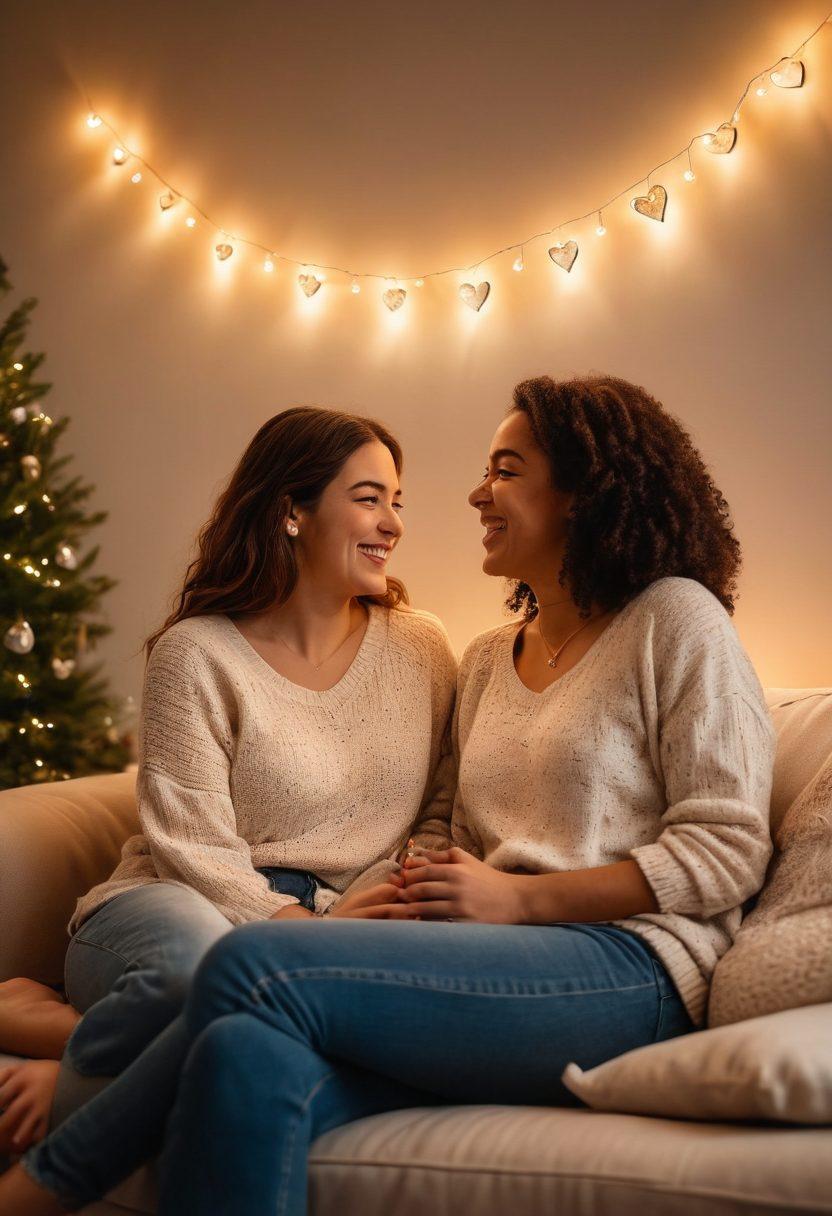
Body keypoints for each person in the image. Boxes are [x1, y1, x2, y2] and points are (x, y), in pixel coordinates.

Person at [1, 374, 776, 1215]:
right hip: (483, 959)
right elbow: (448, 827)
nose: (477, 492)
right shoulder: (484, 659)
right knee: (241, 1059)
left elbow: (728, 851)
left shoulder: (675, 619)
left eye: (507, 470)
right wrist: (424, 891)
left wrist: (520, 901)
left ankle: (40, 1186)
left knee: (256, 963)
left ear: (585, 494)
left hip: (631, 965)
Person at [0, 406, 456, 1201]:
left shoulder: (422, 647)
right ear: (291, 510)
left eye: (398, 501)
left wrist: (383, 892)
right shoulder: (197, 652)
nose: (393, 524)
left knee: (266, 1031)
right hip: (174, 902)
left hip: (348, 913)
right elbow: (194, 848)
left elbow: (441, 807)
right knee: (193, 970)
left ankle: (70, 1050)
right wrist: (307, 941)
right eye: (369, 498)